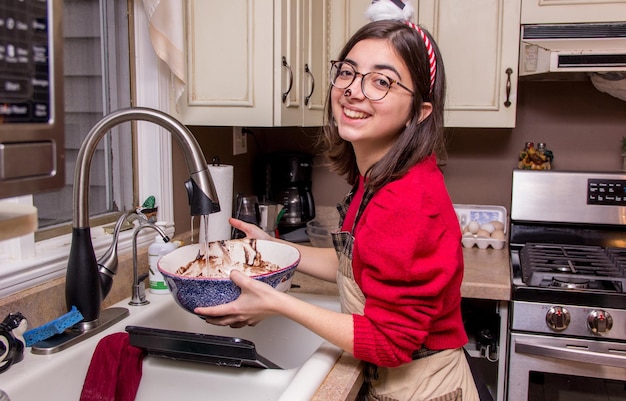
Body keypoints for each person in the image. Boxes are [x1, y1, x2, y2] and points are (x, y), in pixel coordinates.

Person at [195, 1, 481, 400]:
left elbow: (390, 342)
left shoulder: (407, 200)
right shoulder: (379, 177)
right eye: (347, 72)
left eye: (381, 81)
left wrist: (275, 303)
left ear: (420, 112)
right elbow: (357, 265)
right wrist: (275, 247)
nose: (351, 90)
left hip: (422, 388)